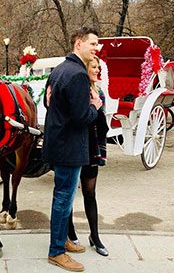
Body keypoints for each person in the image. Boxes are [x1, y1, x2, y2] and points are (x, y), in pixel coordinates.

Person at [43, 27, 102, 272]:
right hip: (68, 147)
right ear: (79, 43)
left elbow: (48, 102)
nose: (96, 48)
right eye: (93, 43)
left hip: (58, 143)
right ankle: (56, 251)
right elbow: (81, 117)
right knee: (63, 197)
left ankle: (63, 240)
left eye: (97, 44)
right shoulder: (77, 74)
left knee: (63, 196)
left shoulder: (59, 69)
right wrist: (95, 106)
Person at [67, 56, 109, 257]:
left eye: (98, 67)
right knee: (69, 192)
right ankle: (70, 232)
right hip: (75, 146)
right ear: (85, 68)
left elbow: (102, 121)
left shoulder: (99, 91)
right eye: (94, 67)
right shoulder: (77, 88)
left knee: (90, 192)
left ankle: (95, 236)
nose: (97, 70)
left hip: (92, 146)